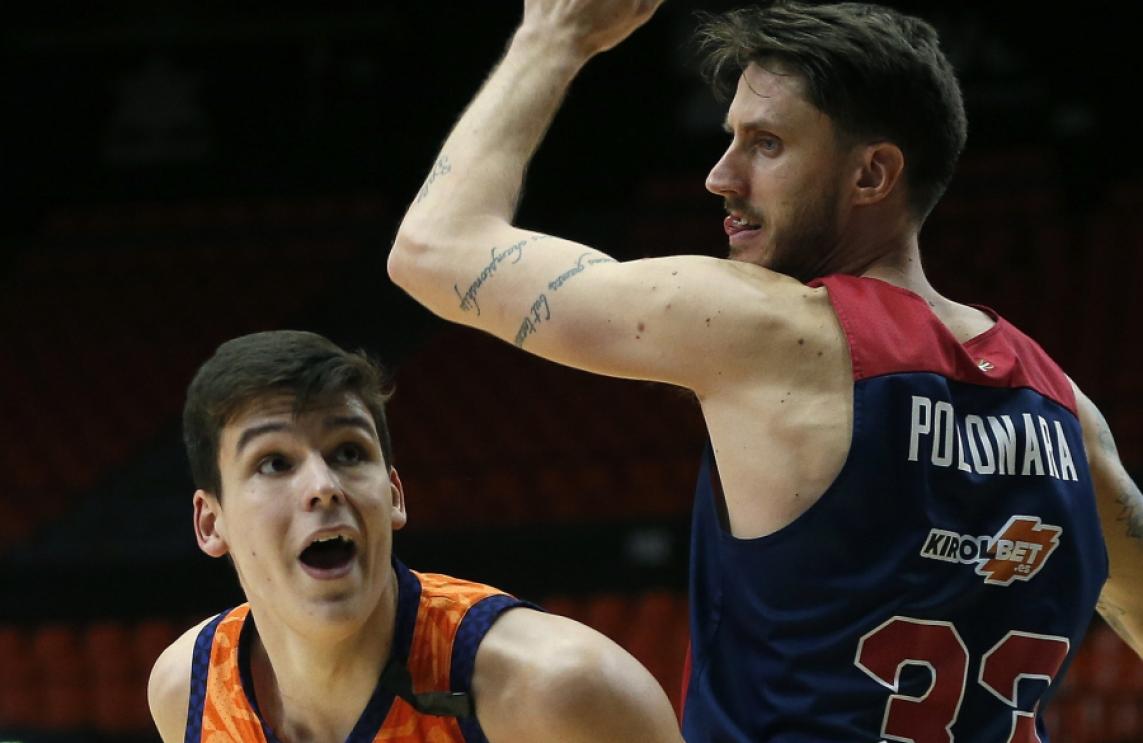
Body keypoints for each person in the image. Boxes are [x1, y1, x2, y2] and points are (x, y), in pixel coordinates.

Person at [387, 0, 1143, 740]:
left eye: (767, 144)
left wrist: (552, 37)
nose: (721, 175)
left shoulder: (770, 328)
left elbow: (432, 250)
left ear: (872, 174)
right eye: (732, 140)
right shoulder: (1067, 414)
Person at [146, 330, 685, 743]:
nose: (323, 487)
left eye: (349, 452)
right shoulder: (189, 691)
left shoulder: (561, 690)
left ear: (394, 495)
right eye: (273, 463)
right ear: (211, 523)